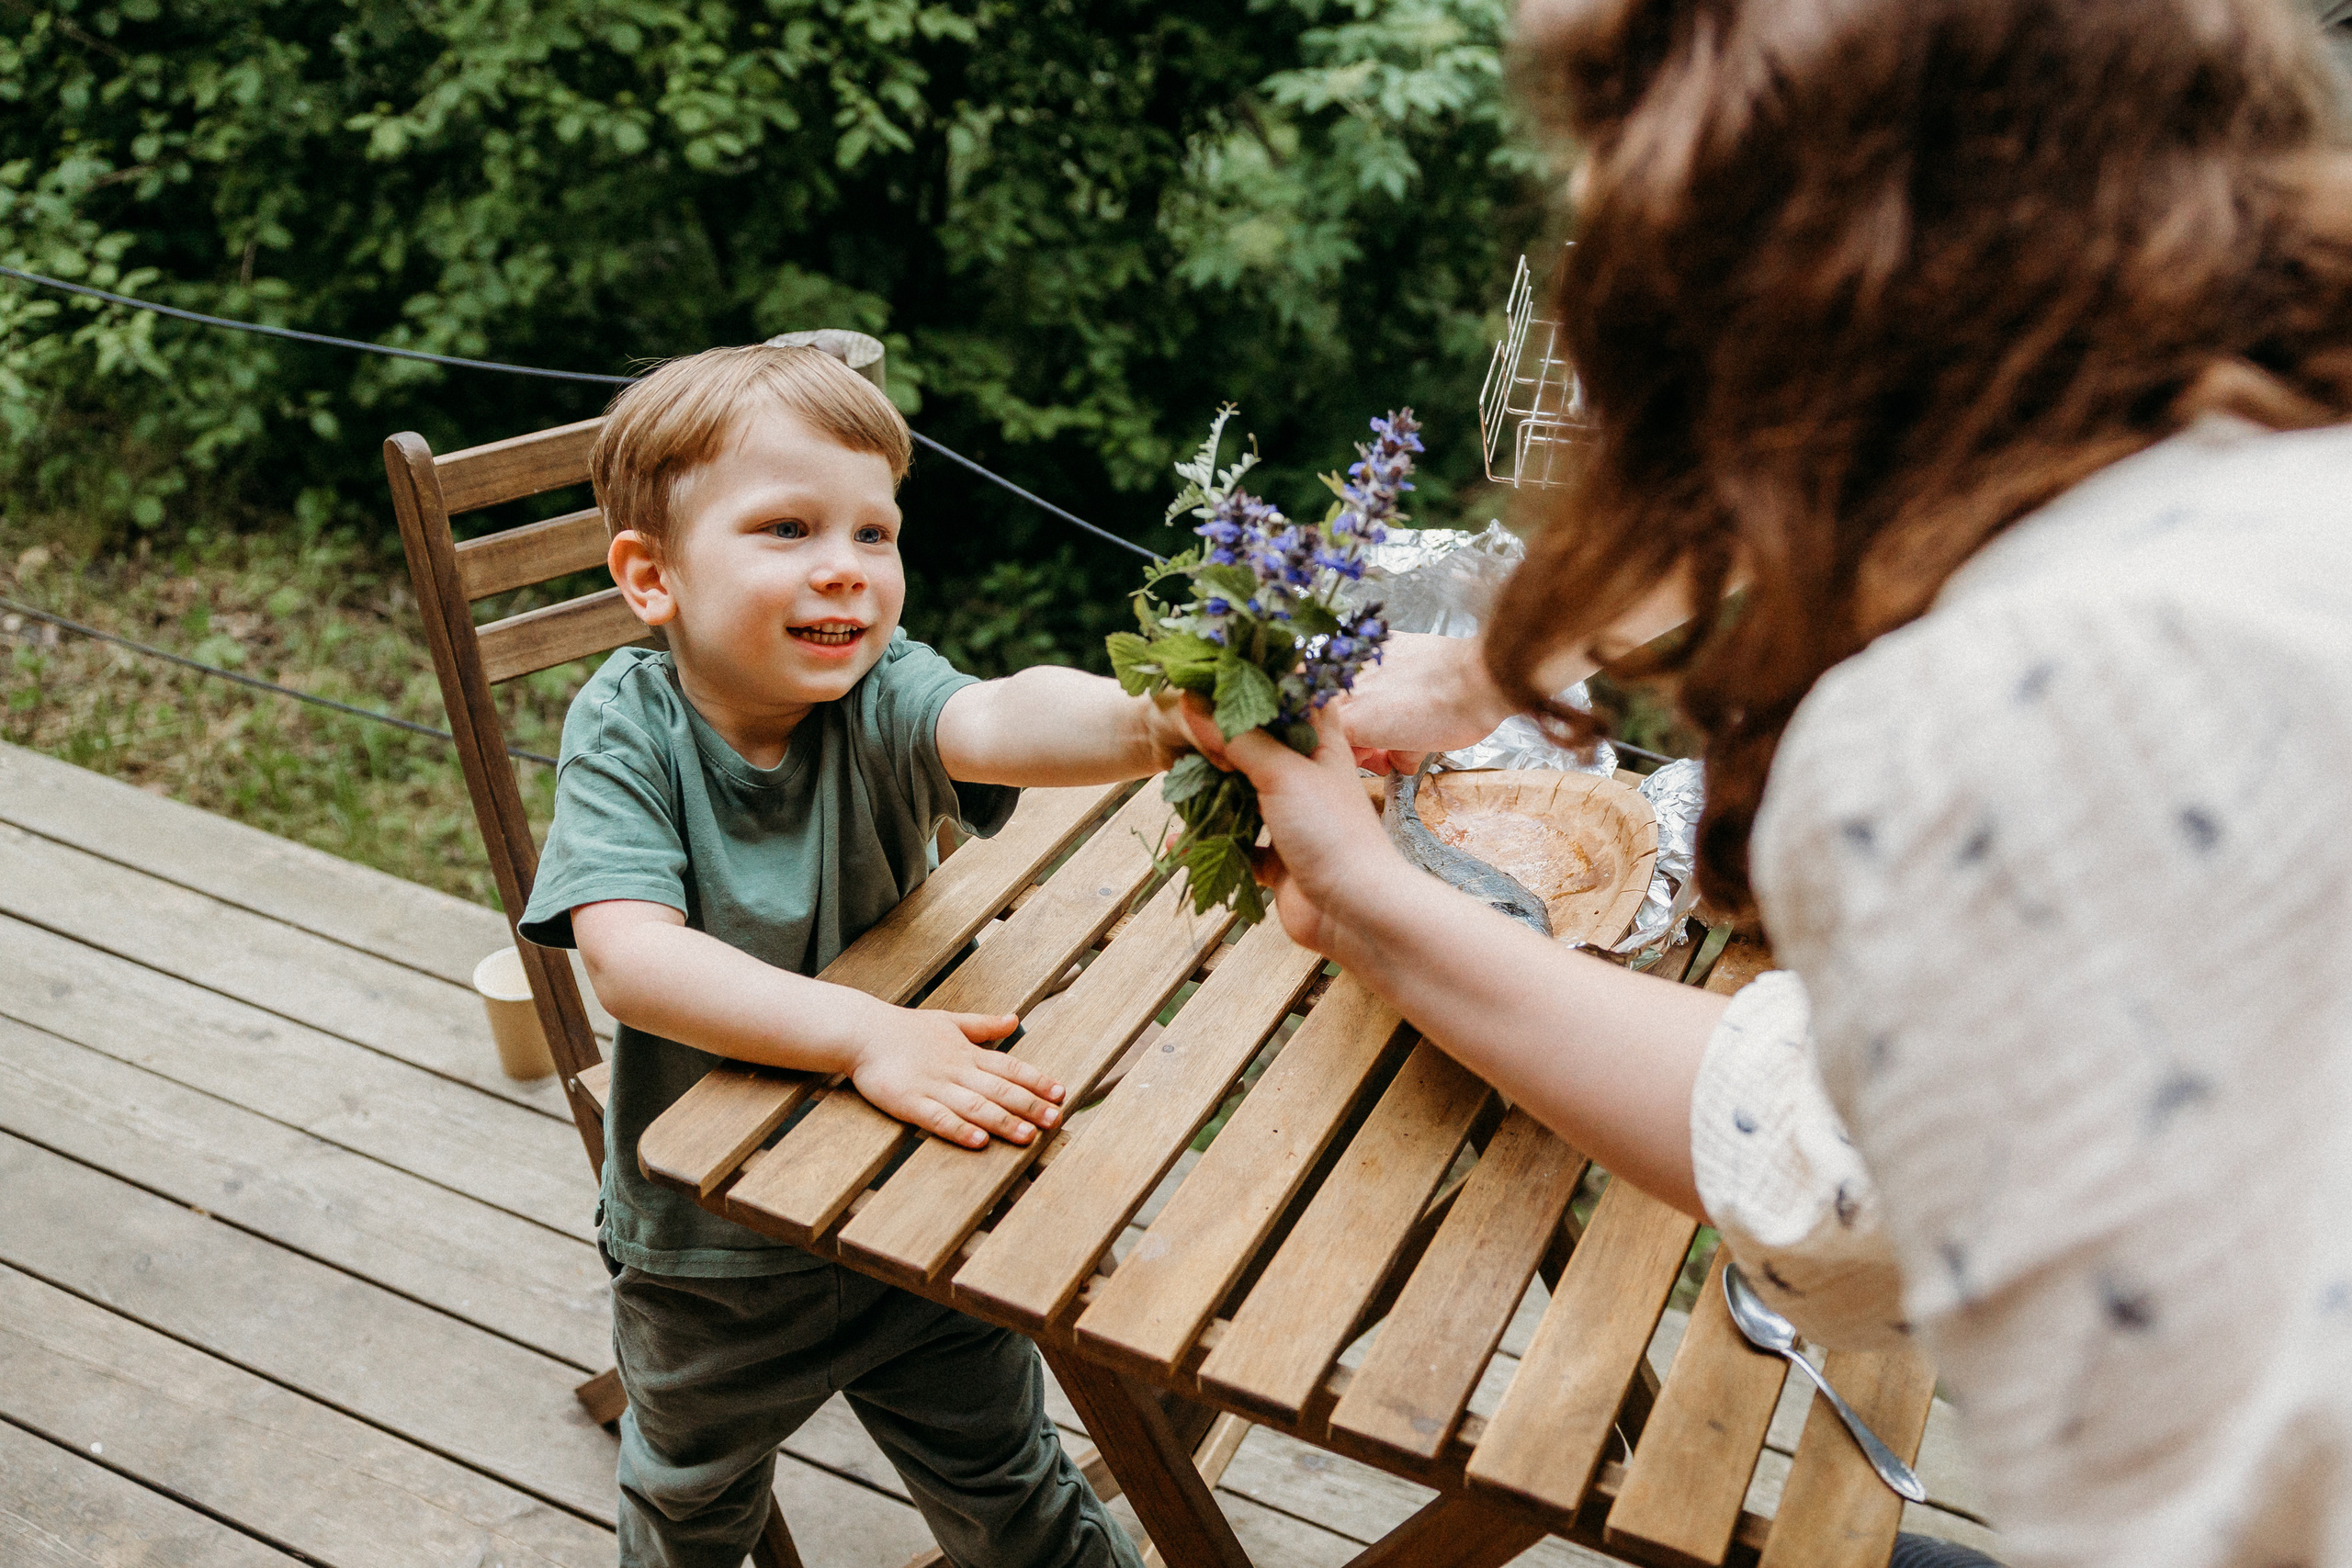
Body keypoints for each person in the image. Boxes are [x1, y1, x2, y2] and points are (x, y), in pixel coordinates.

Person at [1185, 1, 2352, 1563]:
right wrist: (1476, 698)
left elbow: (1836, 1199)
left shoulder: (1985, 720)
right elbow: (1853, 1129)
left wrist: (1368, 894)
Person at [517, 344, 1184, 1568]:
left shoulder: (880, 695)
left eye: (874, 533)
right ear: (650, 577)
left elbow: (999, 715)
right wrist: (869, 1035)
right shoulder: (628, 727)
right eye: (786, 527)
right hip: (714, 1257)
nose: (847, 569)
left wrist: (1165, 715)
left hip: (915, 1215)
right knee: (689, 1510)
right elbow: (632, 965)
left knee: (1015, 1493)